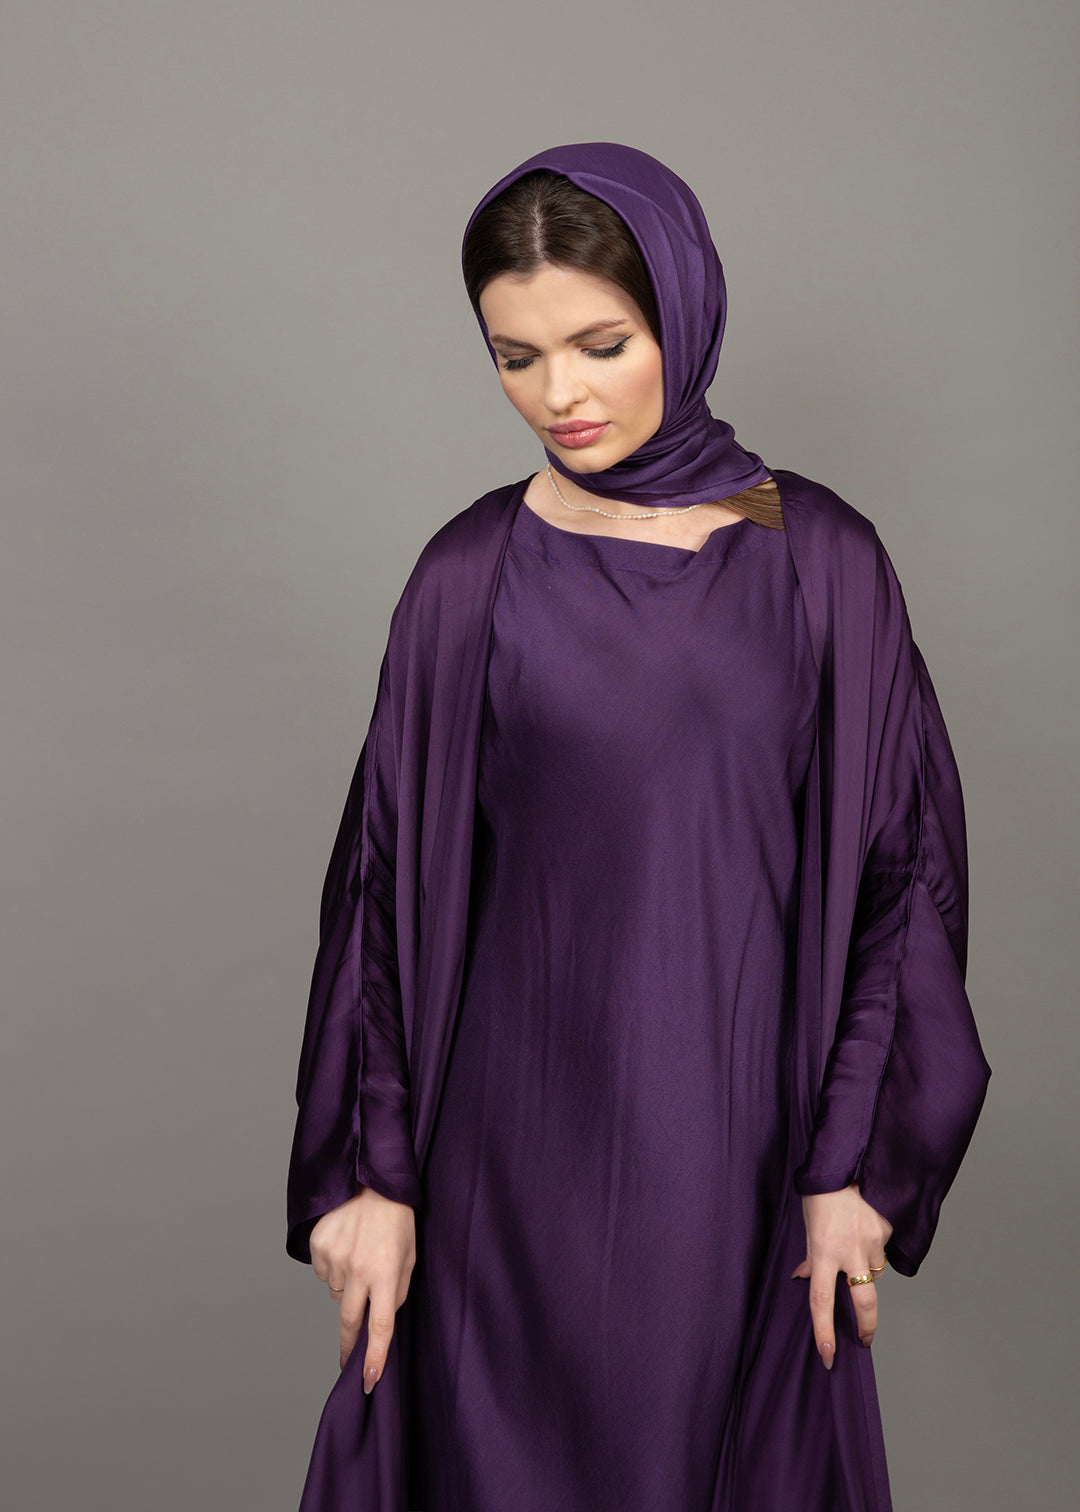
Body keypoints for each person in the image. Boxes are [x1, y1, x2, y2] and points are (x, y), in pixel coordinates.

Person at [285, 143, 992, 1512]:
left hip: (744, 1165)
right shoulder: (469, 578)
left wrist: (856, 1167)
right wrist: (372, 1179)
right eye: (515, 357)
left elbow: (899, 876)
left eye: (600, 346)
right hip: (498, 1178)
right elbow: (379, 889)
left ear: (684, 310)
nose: (560, 395)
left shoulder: (821, 562)